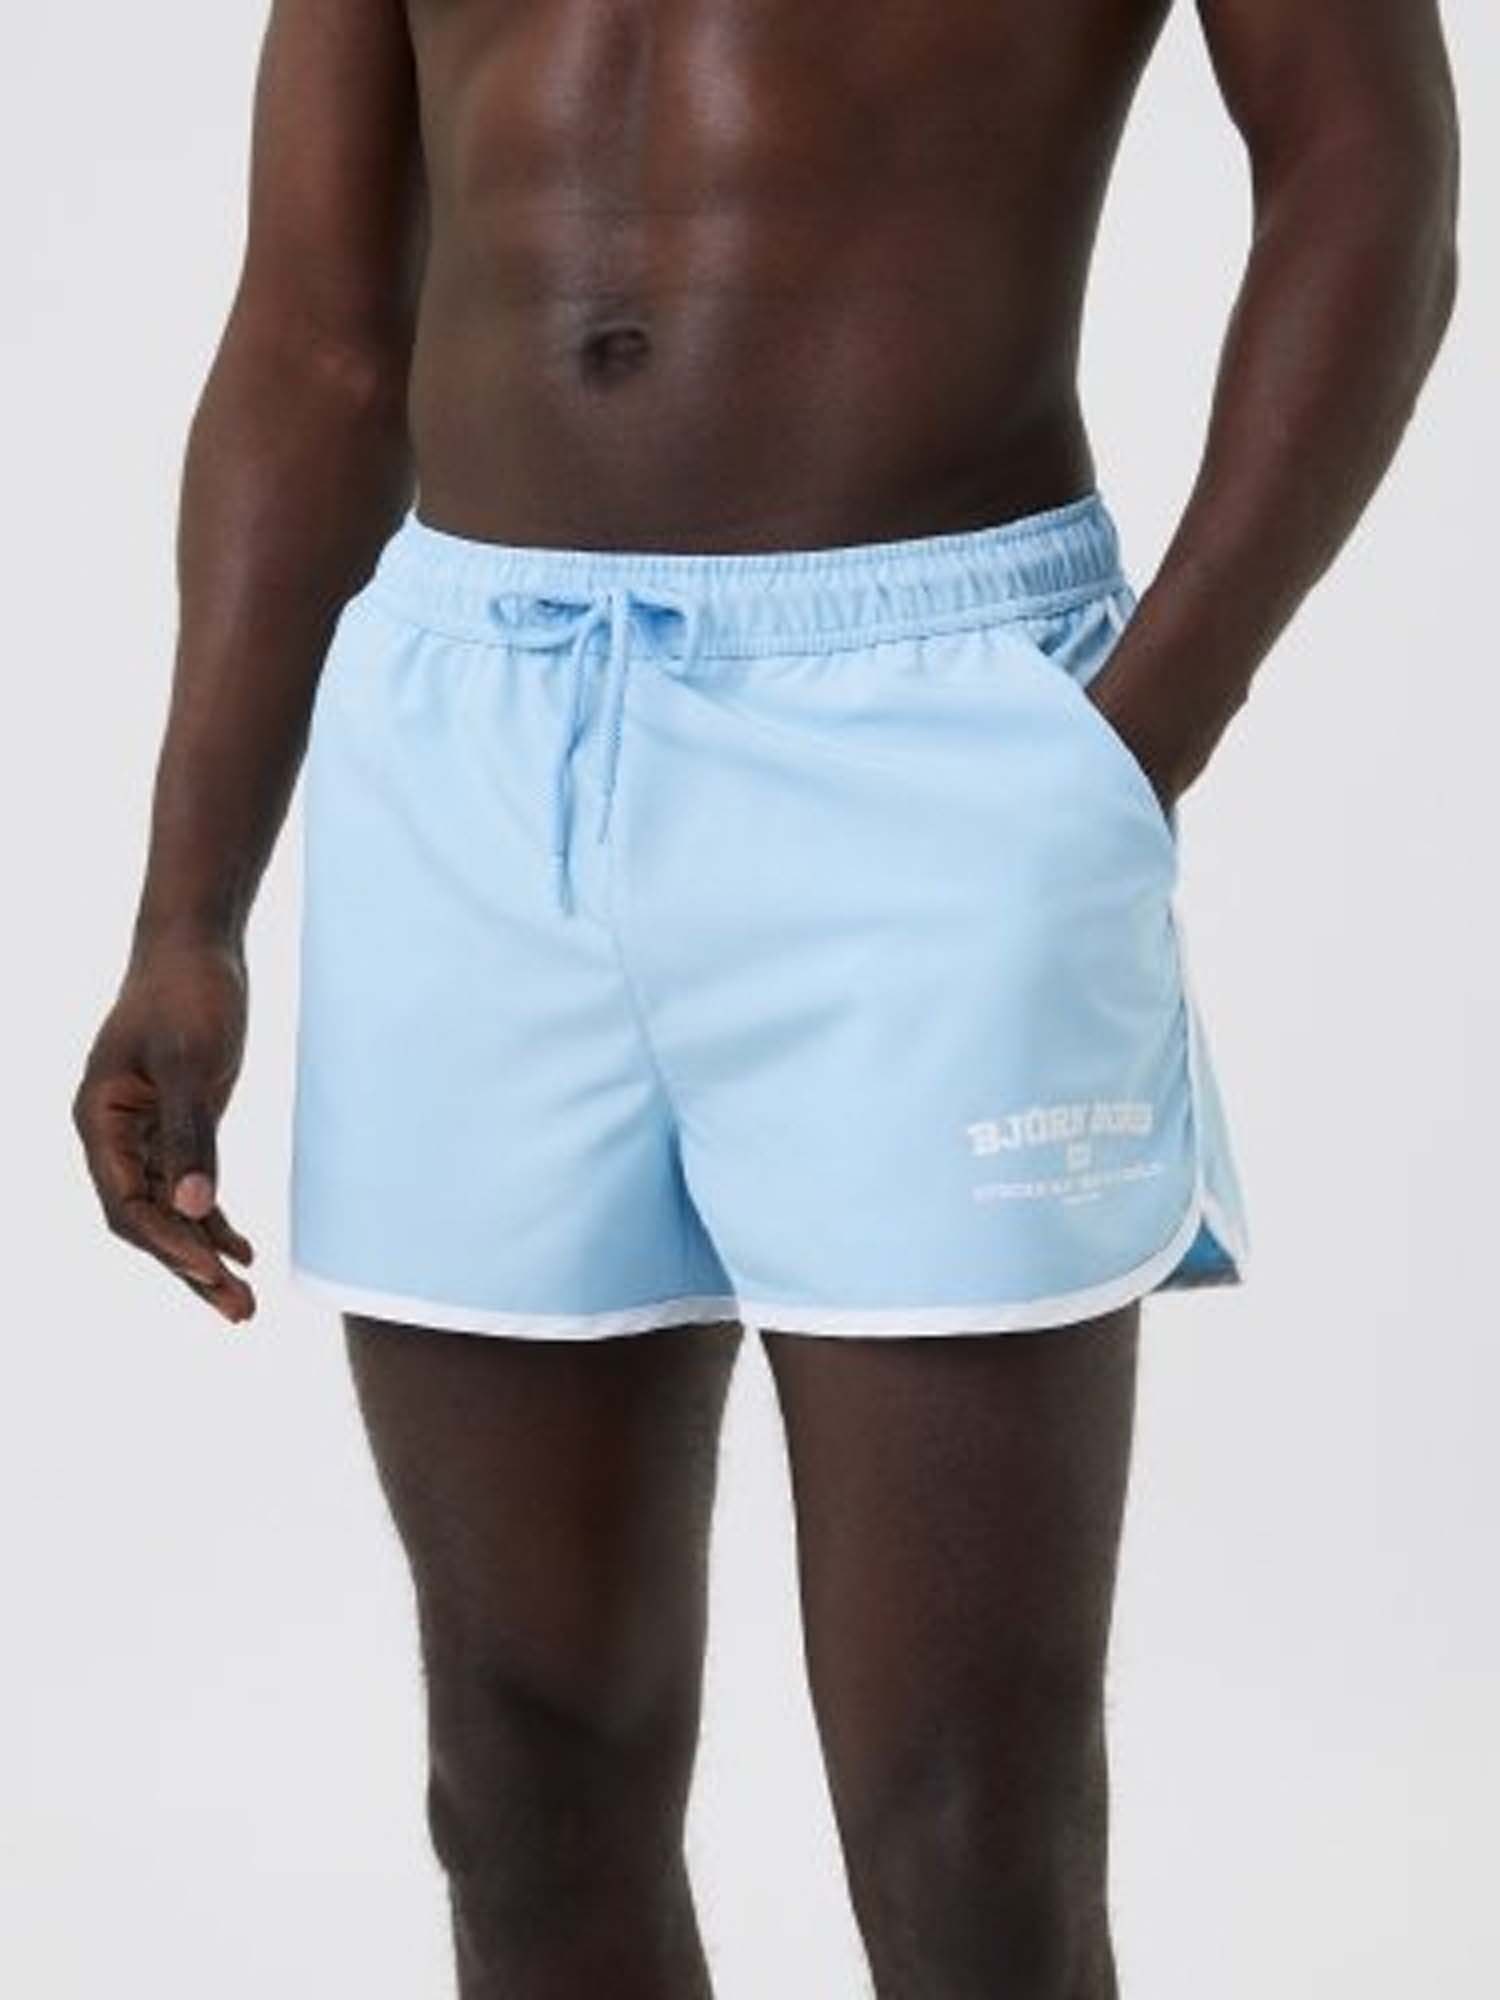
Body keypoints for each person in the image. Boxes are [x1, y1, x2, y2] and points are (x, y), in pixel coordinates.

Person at [73, 1, 1459, 1993]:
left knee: (966, 1826)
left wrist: (1130, 741)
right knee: (522, 1774)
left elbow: (1367, 173)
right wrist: (187, 908)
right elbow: (316, 338)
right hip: (468, 732)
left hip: (929, 724)